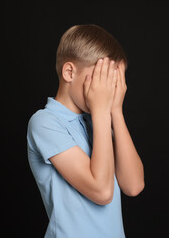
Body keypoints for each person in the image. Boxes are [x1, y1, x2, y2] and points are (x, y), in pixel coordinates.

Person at [26, 24, 144, 238]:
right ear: (69, 72)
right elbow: (102, 191)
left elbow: (133, 185)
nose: (108, 91)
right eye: (103, 80)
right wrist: (101, 111)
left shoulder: (95, 121)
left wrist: (115, 111)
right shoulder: (44, 122)